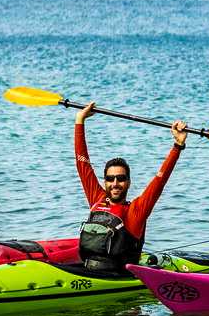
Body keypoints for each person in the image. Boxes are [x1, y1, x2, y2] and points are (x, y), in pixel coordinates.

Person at [73, 101, 187, 274]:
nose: (115, 183)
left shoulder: (136, 212)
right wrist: (79, 120)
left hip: (117, 277)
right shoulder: (98, 199)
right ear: (105, 182)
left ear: (128, 182)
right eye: (110, 179)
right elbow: (83, 164)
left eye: (121, 178)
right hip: (89, 270)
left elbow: (160, 180)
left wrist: (177, 146)